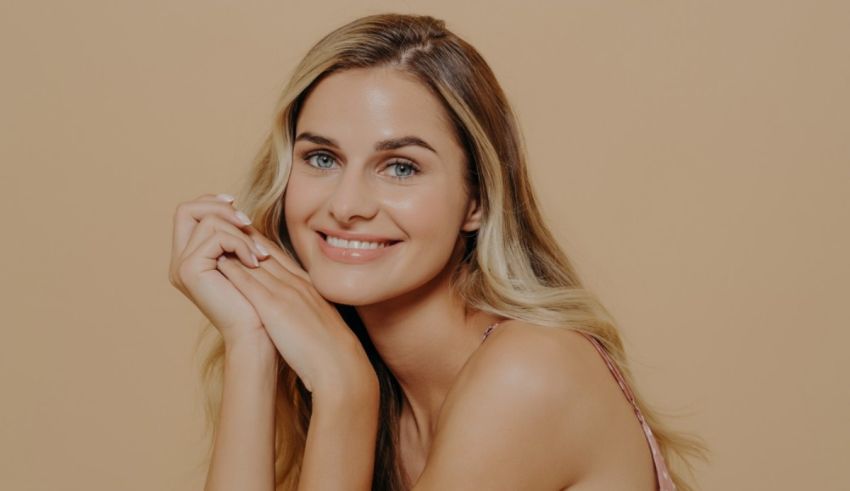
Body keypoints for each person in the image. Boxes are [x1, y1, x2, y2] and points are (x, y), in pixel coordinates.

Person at [168, 12, 707, 491]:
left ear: (476, 199)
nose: (346, 205)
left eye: (400, 167)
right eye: (322, 158)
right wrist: (250, 344)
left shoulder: (530, 372)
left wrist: (345, 389)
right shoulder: (384, 391)